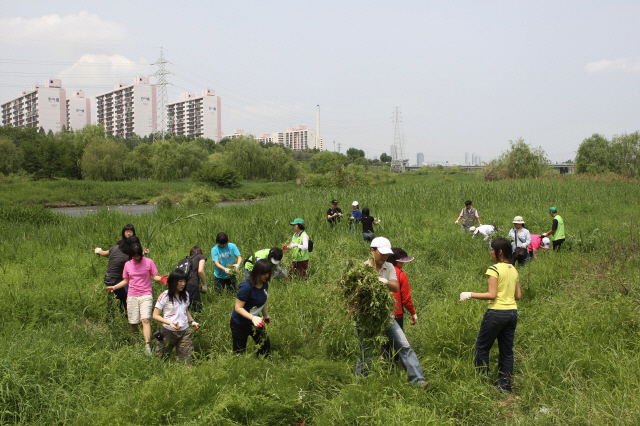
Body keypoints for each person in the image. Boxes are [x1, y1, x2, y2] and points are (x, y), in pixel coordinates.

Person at [356, 237, 429, 388]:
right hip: (367, 318)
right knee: (367, 351)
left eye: (387, 254)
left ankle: (418, 382)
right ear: (372, 250)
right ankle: (362, 384)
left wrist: (384, 282)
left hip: (387, 317)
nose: (384, 256)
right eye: (381, 253)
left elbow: (395, 287)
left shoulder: (389, 267)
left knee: (404, 346)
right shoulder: (362, 269)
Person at [459, 238, 521, 393]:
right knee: (507, 351)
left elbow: (492, 294)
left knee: (482, 347)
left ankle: (482, 381)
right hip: (512, 313)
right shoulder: (513, 269)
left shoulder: (494, 269)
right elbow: (518, 295)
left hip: (496, 313)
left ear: (500, 252)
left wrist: (470, 294)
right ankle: (505, 386)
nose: (491, 251)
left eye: (492, 249)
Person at [106, 243, 165, 355]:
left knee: (145, 319)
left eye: (138, 256)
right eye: (134, 256)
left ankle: (147, 346)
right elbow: (125, 281)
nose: (136, 258)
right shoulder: (128, 264)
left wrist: (161, 278)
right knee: (133, 322)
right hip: (132, 295)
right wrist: (114, 287)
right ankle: (136, 342)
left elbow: (154, 276)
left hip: (146, 294)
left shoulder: (149, 262)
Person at [152, 269, 199, 364]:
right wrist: (169, 323)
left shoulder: (186, 294)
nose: (183, 284)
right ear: (174, 282)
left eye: (184, 281)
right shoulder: (165, 296)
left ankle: (187, 377)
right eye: (180, 281)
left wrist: (192, 322)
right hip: (168, 331)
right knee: (160, 358)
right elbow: (155, 315)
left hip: (184, 331)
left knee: (187, 360)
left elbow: (186, 311)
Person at [230, 259, 272, 356]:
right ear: (257, 273)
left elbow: (262, 301)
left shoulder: (265, 284)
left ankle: (262, 363)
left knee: (265, 345)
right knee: (239, 353)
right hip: (240, 323)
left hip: (256, 321)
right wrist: (252, 318)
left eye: (268, 273)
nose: (267, 276)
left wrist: (265, 316)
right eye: (264, 273)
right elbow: (238, 308)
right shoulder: (246, 287)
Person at [95, 224, 136, 312]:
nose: (129, 233)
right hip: (116, 280)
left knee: (113, 300)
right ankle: (124, 314)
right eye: (127, 231)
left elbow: (104, 253)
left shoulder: (115, 247)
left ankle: (115, 312)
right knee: (124, 298)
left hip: (107, 278)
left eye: (130, 231)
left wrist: (98, 251)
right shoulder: (128, 254)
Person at [186, 246, 207, 313]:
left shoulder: (187, 260)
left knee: (185, 307)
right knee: (197, 309)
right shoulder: (200, 256)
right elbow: (200, 271)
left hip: (182, 284)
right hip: (192, 284)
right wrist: (204, 284)